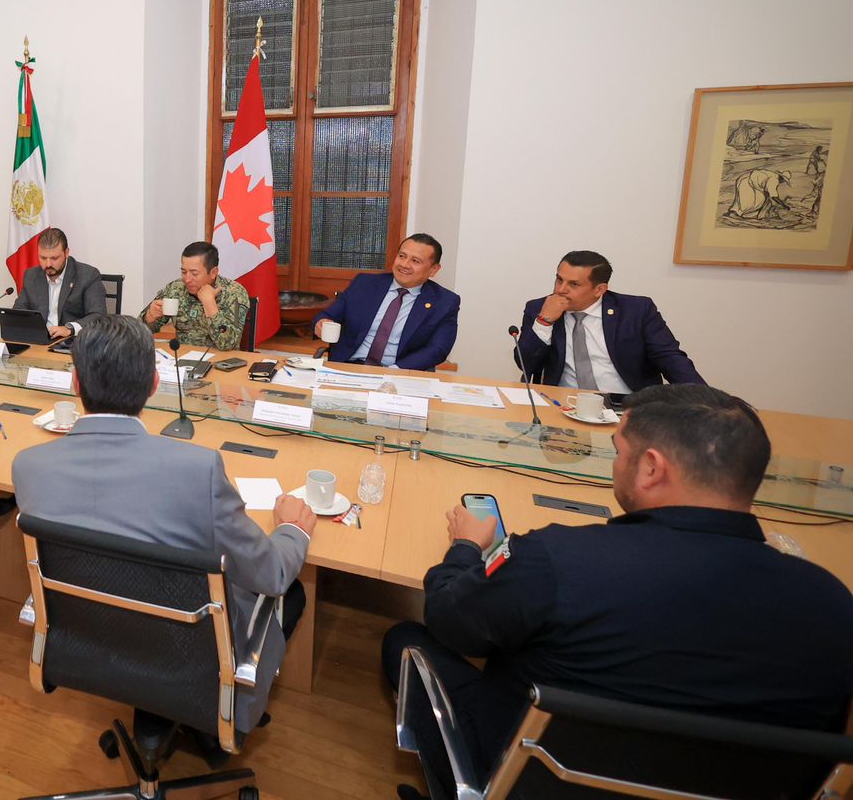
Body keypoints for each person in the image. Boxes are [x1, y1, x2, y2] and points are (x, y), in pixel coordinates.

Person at [382, 384, 853, 799]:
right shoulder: (832, 604)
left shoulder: (556, 560)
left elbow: (450, 620)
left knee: (405, 639)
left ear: (650, 468)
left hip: (534, 779)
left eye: (618, 451)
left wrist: (466, 548)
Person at [14, 314, 317, 738]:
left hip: (91, 642)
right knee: (293, 591)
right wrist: (293, 531)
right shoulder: (197, 470)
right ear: (155, 385)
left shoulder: (28, 466)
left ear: (76, 383)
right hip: (187, 659)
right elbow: (271, 574)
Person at [516, 250, 702, 393]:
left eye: (574, 284)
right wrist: (544, 321)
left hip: (627, 406)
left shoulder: (636, 311)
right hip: (564, 403)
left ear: (599, 290)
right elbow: (525, 364)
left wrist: (705, 401)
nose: (561, 289)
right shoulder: (539, 308)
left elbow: (671, 359)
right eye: (559, 280)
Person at [311, 233, 460, 370]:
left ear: (434, 270)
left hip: (401, 373)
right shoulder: (364, 284)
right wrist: (321, 323)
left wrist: (394, 371)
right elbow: (327, 315)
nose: (404, 264)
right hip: (348, 367)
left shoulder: (445, 302)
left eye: (415, 261)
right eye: (401, 256)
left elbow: (438, 349)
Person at [143, 241, 249, 351]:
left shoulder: (234, 292)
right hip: (181, 356)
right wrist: (149, 318)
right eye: (184, 272)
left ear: (213, 272)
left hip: (220, 359)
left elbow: (228, 344)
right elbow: (137, 332)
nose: (187, 279)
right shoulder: (176, 288)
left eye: (194, 273)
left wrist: (209, 303)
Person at [10, 229, 108, 341]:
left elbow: (98, 315)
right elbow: (19, 309)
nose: (48, 264)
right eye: (43, 258)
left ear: (66, 253)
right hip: (39, 342)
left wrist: (70, 329)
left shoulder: (88, 275)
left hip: (73, 342)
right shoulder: (31, 275)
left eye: (54, 258)